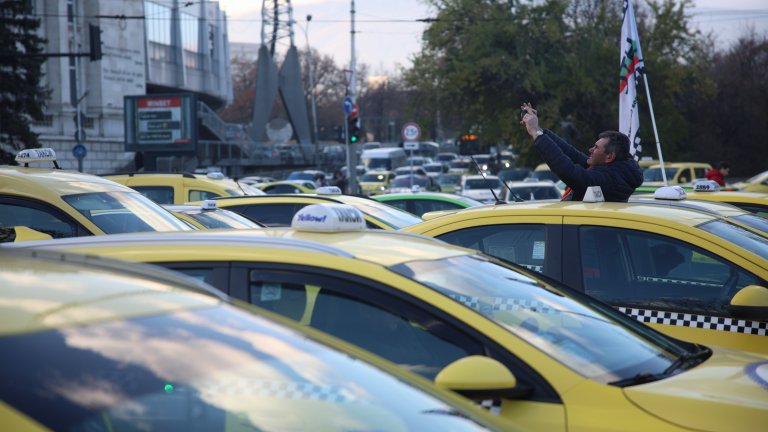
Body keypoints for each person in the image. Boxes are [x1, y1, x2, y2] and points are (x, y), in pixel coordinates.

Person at [520, 102, 642, 202]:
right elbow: (571, 154)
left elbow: (568, 170)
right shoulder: (611, 171)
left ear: (609, 157)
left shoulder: (608, 180)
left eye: (596, 147)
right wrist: (539, 129)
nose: (591, 150)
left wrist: (536, 133)